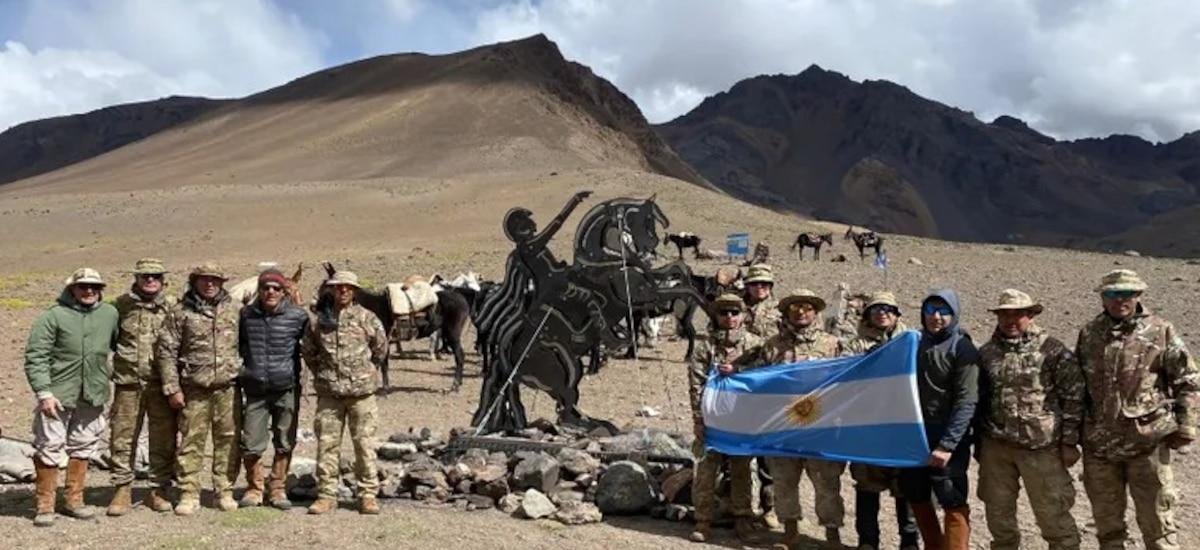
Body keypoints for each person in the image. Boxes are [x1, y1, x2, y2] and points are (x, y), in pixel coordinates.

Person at [1076, 270, 1198, 550]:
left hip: (1147, 442)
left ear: (1139, 295)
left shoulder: (1160, 330)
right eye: (1113, 294)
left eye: (1127, 294)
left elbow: (1187, 380)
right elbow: (1078, 385)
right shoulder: (1090, 333)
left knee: (1158, 525)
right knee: (1108, 528)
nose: (1120, 300)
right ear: (1103, 298)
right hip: (1100, 447)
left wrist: (1187, 426)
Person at [977, 289, 1082, 550]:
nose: (1011, 321)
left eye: (1018, 315)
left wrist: (1069, 442)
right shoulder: (987, 353)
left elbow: (1075, 396)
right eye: (1004, 315)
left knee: (1054, 517)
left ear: (1031, 316)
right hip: (997, 447)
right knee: (998, 517)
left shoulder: (1052, 349)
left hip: (1041, 448)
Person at [24, 268, 119, 526]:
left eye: (95, 287)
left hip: (93, 393)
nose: (89, 291)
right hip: (58, 394)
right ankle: (45, 505)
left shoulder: (109, 314)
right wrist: (44, 393)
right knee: (49, 446)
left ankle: (73, 500)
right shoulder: (53, 317)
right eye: (83, 286)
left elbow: (119, 347)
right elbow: (36, 356)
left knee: (85, 444)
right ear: (72, 289)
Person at [756, 289, 844, 550]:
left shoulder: (831, 344)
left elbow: (844, 383)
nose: (801, 312)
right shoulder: (773, 346)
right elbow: (761, 383)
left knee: (827, 483)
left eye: (807, 307)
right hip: (784, 427)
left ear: (815, 312)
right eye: (795, 308)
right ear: (786, 313)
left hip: (821, 427)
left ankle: (832, 534)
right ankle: (790, 532)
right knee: (784, 481)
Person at [156, 262, 242, 515]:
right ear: (194, 281)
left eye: (215, 280)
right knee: (191, 442)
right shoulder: (180, 311)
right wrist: (172, 388)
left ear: (222, 283)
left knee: (228, 441)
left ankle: (223, 491)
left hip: (228, 388)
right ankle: (189, 492)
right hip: (194, 388)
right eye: (204, 279)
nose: (209, 284)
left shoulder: (235, 310)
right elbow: (166, 350)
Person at [303, 271, 388, 515]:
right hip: (330, 395)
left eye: (347, 287)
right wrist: (325, 374)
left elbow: (380, 350)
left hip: (362, 394)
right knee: (327, 446)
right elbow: (309, 352)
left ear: (354, 291)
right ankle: (326, 495)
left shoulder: (368, 318)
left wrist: (365, 372)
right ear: (331, 289)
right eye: (338, 287)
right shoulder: (320, 320)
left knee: (364, 445)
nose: (342, 291)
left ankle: (367, 494)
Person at [899, 289, 979, 550]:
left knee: (952, 497)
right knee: (917, 494)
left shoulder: (962, 348)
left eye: (943, 311)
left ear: (954, 314)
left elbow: (967, 401)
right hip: (915, 436)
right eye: (930, 310)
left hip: (946, 436)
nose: (936, 316)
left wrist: (947, 445)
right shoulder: (914, 343)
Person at [843, 291, 918, 550]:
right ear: (867, 315)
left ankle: (909, 541)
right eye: (876, 309)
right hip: (867, 429)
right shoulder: (855, 345)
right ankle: (867, 541)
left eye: (888, 308)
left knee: (906, 488)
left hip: (902, 429)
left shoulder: (913, 342)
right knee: (866, 487)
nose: (882, 312)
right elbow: (844, 379)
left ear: (897, 313)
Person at [687, 293, 764, 544]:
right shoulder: (705, 345)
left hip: (743, 418)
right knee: (706, 469)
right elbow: (696, 383)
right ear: (716, 316)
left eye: (734, 312)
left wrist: (739, 370)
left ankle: (742, 516)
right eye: (724, 313)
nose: (729, 318)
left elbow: (764, 375)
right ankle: (703, 519)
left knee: (742, 468)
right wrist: (699, 419)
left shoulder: (755, 344)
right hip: (713, 417)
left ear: (743, 315)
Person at [107, 258, 177, 516]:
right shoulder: (120, 307)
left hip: (161, 385)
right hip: (128, 385)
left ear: (163, 279)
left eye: (155, 276)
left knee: (164, 438)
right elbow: (110, 340)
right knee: (122, 437)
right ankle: (122, 489)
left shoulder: (173, 307)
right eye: (145, 276)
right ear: (136, 278)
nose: (150, 280)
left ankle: (158, 490)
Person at [237, 268, 309, 509]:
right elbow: (238, 346)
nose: (270, 292)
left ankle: (277, 489)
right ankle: (254, 488)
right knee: (251, 441)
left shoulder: (298, 317)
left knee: (285, 440)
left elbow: (310, 347)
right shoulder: (246, 316)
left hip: (285, 387)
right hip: (255, 388)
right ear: (260, 290)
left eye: (276, 288)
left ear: (283, 291)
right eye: (266, 287)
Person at [741, 264, 780, 339]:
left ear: (770, 286)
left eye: (764, 283)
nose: (759, 287)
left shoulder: (780, 308)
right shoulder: (737, 308)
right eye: (754, 283)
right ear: (748, 287)